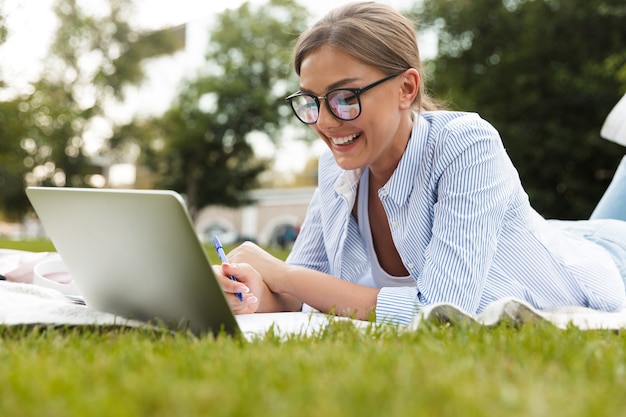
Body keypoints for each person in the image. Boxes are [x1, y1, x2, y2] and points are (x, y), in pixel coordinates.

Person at [214, 1, 626, 325]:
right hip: (558, 236)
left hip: (605, 263)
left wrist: (281, 274)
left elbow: (441, 312)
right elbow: (300, 296)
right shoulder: (337, 171)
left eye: (345, 97)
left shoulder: (466, 145)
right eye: (312, 101)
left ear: (406, 89)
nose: (323, 121)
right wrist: (248, 291)